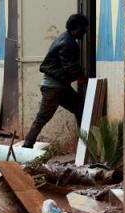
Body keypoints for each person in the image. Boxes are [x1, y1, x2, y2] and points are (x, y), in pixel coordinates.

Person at [22, 14, 89, 149]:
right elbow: (70, 67)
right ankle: (26, 147)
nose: (85, 31)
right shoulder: (68, 43)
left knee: (80, 108)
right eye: (84, 28)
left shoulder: (65, 38)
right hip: (54, 88)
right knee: (42, 118)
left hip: (59, 88)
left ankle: (84, 146)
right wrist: (82, 77)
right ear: (77, 28)